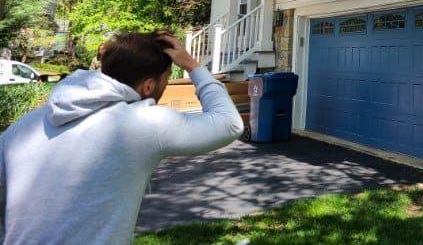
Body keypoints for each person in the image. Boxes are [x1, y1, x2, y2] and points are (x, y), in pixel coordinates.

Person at [0, 30, 243, 244]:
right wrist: (192, 65)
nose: (167, 83)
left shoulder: (24, 126)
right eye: (168, 77)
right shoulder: (143, 122)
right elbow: (228, 123)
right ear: (148, 86)